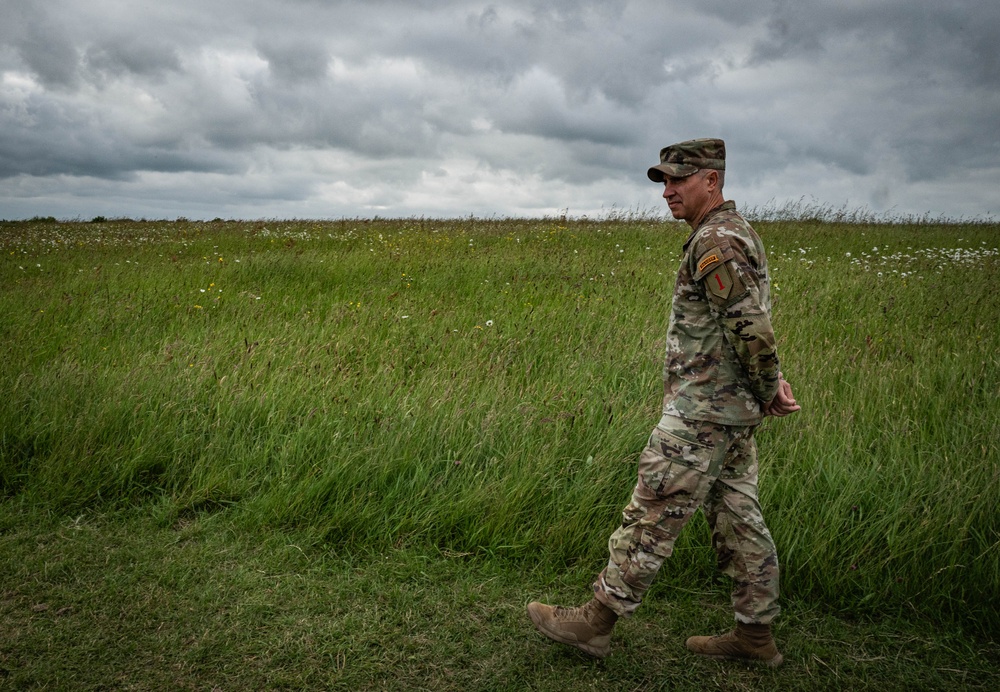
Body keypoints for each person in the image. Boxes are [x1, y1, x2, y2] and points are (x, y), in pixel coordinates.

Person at [527, 138, 800, 667]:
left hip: (702, 412)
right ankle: (755, 636)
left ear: (712, 181)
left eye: (679, 180)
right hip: (729, 411)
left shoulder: (716, 240)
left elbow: (750, 327)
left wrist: (770, 386)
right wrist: (768, 384)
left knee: (651, 512)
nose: (669, 191)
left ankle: (595, 622)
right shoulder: (730, 234)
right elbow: (746, 325)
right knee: (739, 519)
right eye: (665, 181)